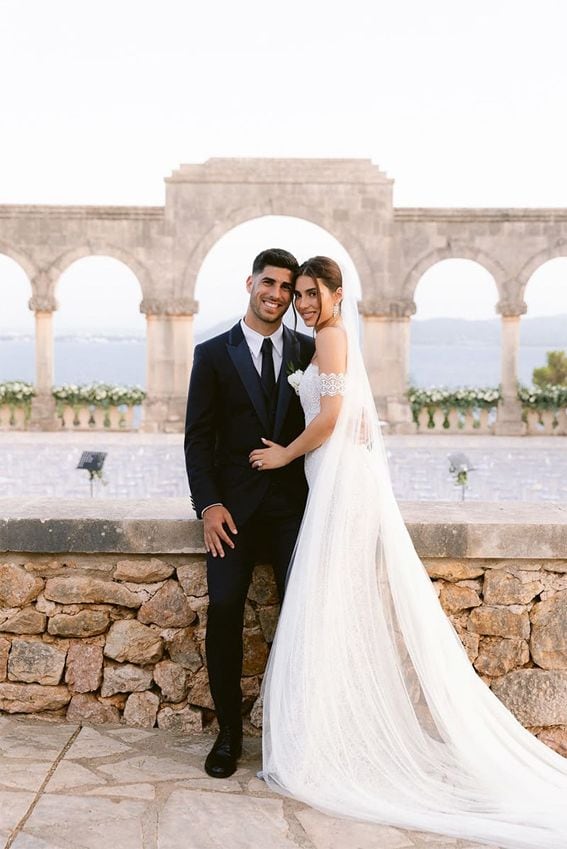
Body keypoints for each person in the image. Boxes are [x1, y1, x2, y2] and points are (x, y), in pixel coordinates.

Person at [249, 256, 567, 849]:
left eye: (314, 293)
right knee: (328, 609)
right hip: (332, 477)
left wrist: (286, 455)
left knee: (327, 607)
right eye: (302, 295)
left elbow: (335, 414)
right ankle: (326, 735)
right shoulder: (321, 340)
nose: (305, 303)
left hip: (340, 484)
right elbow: (351, 413)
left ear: (338, 295)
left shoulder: (335, 337)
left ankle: (327, 743)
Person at [184, 248, 315, 779]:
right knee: (224, 612)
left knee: (301, 621)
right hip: (231, 514)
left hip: (291, 512)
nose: (277, 294)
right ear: (250, 283)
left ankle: (293, 737)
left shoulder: (310, 351)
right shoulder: (213, 353)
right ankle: (229, 735)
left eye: (287, 287)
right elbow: (198, 439)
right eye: (270, 283)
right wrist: (208, 505)